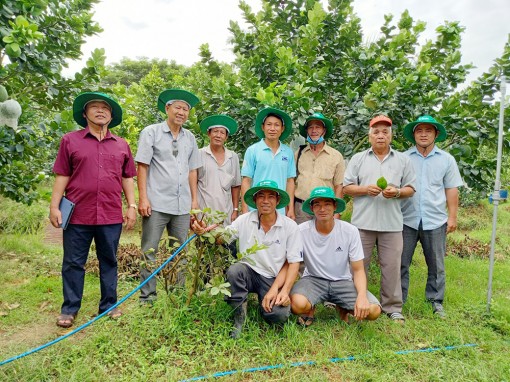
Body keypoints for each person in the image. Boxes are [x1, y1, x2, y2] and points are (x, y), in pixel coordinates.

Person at [50, 92, 137, 328]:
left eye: (105, 108)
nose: (101, 111)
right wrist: (54, 205)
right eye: (95, 107)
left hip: (110, 214)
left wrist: (131, 205)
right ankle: (69, 309)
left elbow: (127, 177)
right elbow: (62, 174)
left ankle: (109, 304)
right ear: (85, 114)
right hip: (78, 213)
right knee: (73, 262)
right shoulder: (70, 140)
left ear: (111, 116)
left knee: (108, 260)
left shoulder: (121, 145)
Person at [192, 180, 303, 339]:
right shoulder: (245, 220)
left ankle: (264, 302)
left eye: (271, 196)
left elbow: (294, 263)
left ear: (278, 201)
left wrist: (284, 291)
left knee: (279, 317)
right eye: (261, 196)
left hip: (273, 277)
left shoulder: (290, 226)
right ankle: (239, 316)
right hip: (249, 272)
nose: (265, 201)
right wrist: (205, 231)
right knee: (235, 270)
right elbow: (223, 238)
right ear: (255, 200)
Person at [343, 115, 415, 322]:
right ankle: (354, 301)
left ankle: (392, 307)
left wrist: (398, 192)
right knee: (357, 265)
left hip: (392, 224)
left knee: (392, 265)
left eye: (385, 132)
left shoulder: (403, 160)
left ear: (391, 136)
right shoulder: (358, 159)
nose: (380, 136)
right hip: (362, 223)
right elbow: (347, 187)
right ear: (369, 136)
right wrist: (365, 189)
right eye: (376, 132)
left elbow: (411, 188)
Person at [135, 89, 201, 303]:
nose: (181, 112)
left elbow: (193, 171)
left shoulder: (190, 137)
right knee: (150, 250)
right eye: (178, 107)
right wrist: (143, 198)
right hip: (157, 203)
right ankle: (148, 297)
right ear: (167, 108)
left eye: (185, 109)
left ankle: (177, 294)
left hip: (182, 206)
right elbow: (142, 166)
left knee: (180, 251)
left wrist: (194, 201)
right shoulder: (151, 132)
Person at [400, 115, 463, 318]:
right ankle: (398, 300)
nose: (424, 134)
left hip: (435, 219)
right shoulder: (404, 158)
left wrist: (452, 217)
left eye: (428, 130)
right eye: (420, 131)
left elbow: (451, 189)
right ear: (414, 135)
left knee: (436, 264)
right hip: (406, 219)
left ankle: (435, 301)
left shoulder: (446, 160)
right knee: (401, 261)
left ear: (436, 134)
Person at [290, 187, 381, 326]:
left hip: (342, 281)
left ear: (334, 207)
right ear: (312, 208)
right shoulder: (301, 231)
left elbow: (358, 270)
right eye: (317, 205)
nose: (322, 209)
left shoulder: (349, 231)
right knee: (297, 304)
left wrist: (361, 296)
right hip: (313, 279)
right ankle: (310, 307)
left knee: (373, 311)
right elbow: (293, 263)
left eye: (327, 204)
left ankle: (343, 307)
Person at [240, 107, 296, 219]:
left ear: (282, 129)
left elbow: (290, 181)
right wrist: (245, 209)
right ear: (263, 127)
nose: (272, 128)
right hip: (255, 208)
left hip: (279, 210)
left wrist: (290, 209)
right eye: (269, 124)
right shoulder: (253, 150)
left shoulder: (288, 152)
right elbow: (246, 180)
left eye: (276, 125)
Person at [294, 112, 345, 224]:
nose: (314, 130)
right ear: (307, 131)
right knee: (301, 239)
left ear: (324, 131)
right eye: (310, 127)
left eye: (318, 127)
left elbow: (339, 186)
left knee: (325, 239)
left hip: (325, 208)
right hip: (301, 208)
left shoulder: (335, 156)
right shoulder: (299, 153)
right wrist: (290, 210)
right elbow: (291, 182)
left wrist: (337, 213)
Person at [197, 114, 241, 226]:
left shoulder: (232, 157)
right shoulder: (199, 154)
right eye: (215, 131)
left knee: (227, 241)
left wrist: (235, 210)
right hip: (203, 213)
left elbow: (235, 186)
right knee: (203, 241)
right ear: (209, 134)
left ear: (226, 137)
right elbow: (192, 183)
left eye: (222, 133)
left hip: (226, 213)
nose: (218, 135)